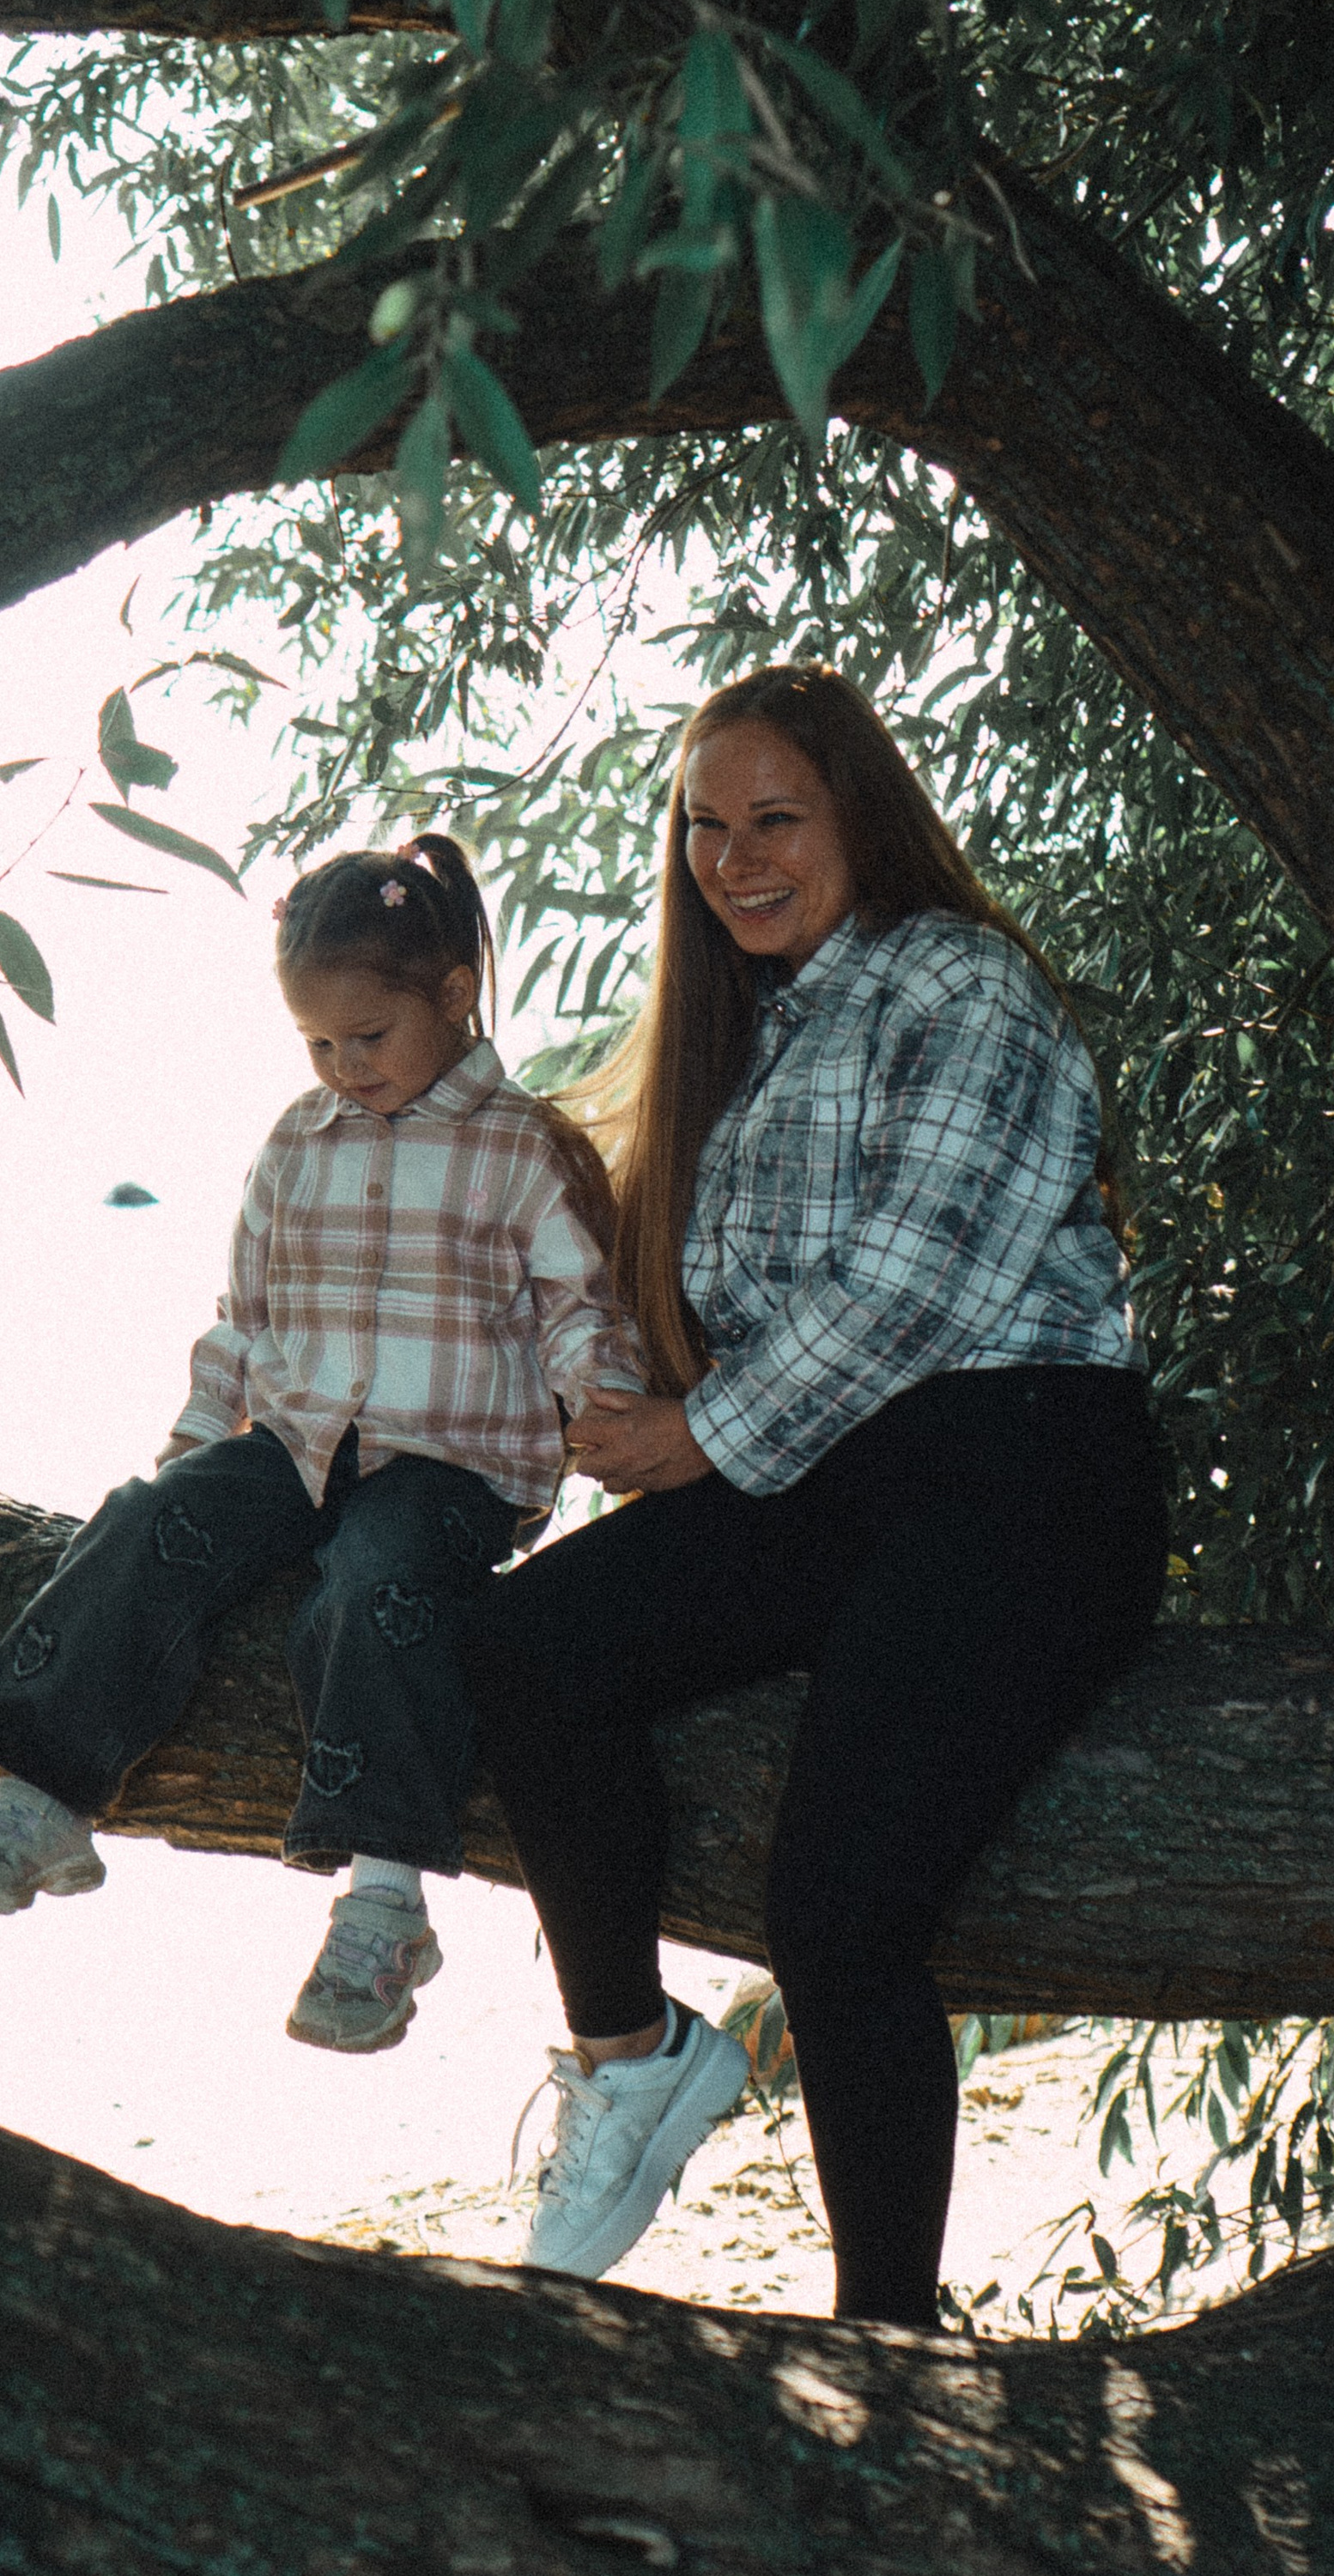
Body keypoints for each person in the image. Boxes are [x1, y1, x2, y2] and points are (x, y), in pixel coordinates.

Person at [461, 665, 1164, 2321]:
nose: (733, 858)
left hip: (1021, 1475)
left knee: (838, 1910)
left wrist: (695, 1445)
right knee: (520, 1650)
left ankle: (891, 2339)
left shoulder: (960, 984)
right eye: (705, 826)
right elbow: (734, 1304)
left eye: (775, 818)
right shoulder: (760, 1030)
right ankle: (633, 2058)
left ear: (862, 814)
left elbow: (914, 1284)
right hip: (837, 1472)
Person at [0, 833, 642, 2055]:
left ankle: (386, 1904)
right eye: (318, 1043)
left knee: (377, 1586)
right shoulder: (296, 1145)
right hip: (299, 1443)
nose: (343, 1067)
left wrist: (606, 1410)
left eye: (368, 1038)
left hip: (451, 1465)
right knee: (152, 1523)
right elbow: (246, 1324)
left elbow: (580, 1306)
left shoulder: (517, 1147)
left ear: (454, 994)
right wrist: (196, 1450)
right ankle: (43, 1791)